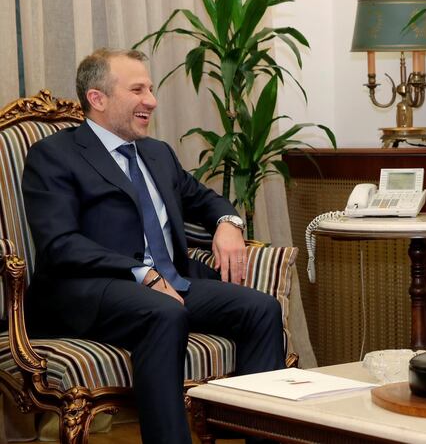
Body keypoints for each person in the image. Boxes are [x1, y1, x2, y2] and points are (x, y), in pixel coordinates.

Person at [22, 48, 285, 444]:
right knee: (163, 313)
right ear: (98, 99)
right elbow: (60, 244)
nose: (151, 100)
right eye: (137, 89)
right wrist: (142, 273)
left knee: (261, 308)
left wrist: (229, 223)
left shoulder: (156, 153)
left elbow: (205, 199)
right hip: (91, 287)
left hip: (169, 281)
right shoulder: (55, 155)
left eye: (150, 88)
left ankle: (259, 435)